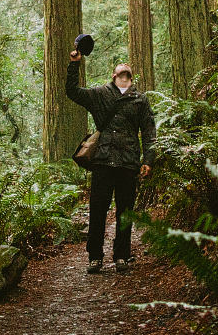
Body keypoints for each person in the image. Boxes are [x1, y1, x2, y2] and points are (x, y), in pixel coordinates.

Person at [66, 45, 156, 274]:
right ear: (114, 75)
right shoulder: (100, 95)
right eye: (121, 67)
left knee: (125, 212)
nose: (125, 64)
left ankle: (122, 256)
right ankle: (95, 257)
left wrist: (148, 160)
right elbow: (72, 91)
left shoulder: (140, 100)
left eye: (128, 67)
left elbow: (148, 131)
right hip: (103, 161)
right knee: (97, 210)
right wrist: (74, 64)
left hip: (128, 162)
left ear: (131, 77)